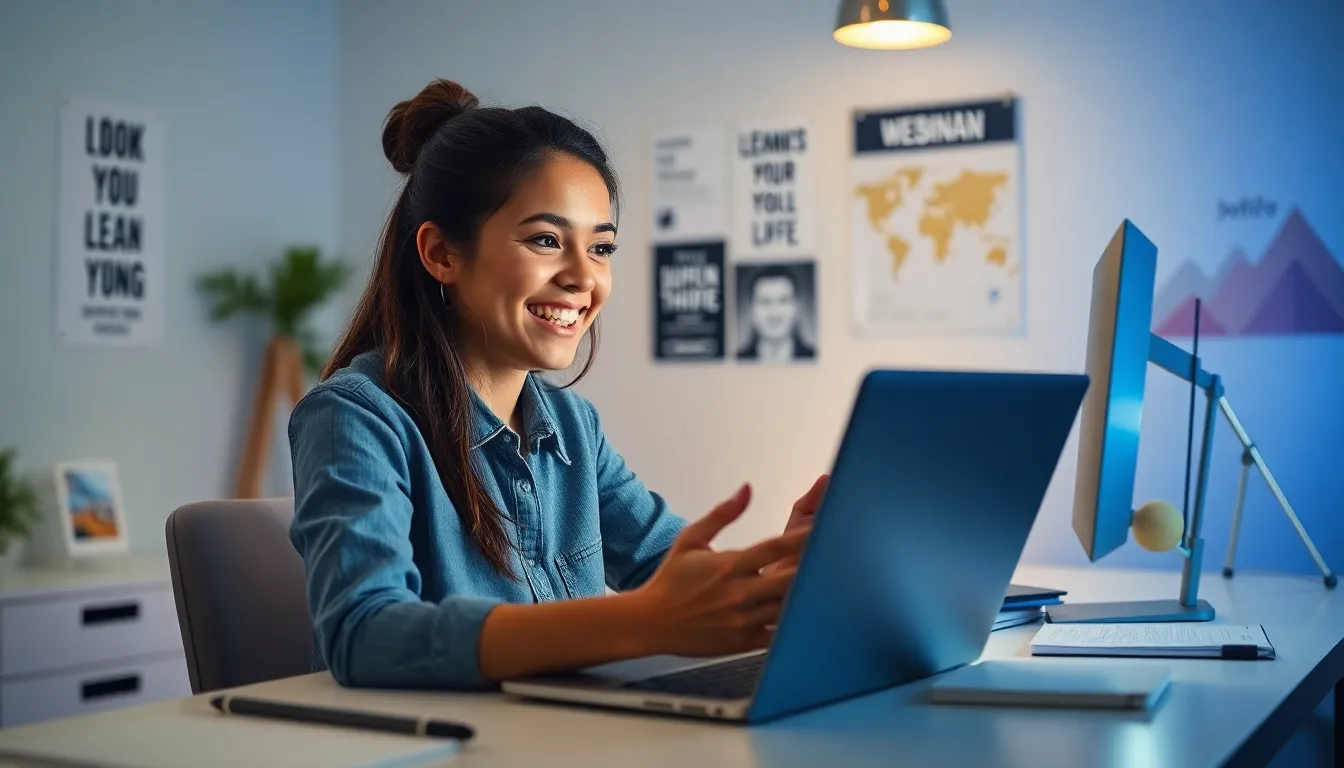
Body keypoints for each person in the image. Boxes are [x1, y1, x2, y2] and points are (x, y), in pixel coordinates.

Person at [287, 79, 828, 692]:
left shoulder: (573, 427)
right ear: (441, 254)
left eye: (600, 248)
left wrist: (775, 575)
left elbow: (671, 574)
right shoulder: (355, 418)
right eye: (546, 240)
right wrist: (636, 623)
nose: (582, 277)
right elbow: (364, 636)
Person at [736, 266, 816, 362]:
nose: (774, 312)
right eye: (765, 302)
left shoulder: (813, 358)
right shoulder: (738, 360)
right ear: (751, 309)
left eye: (783, 301)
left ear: (796, 307)